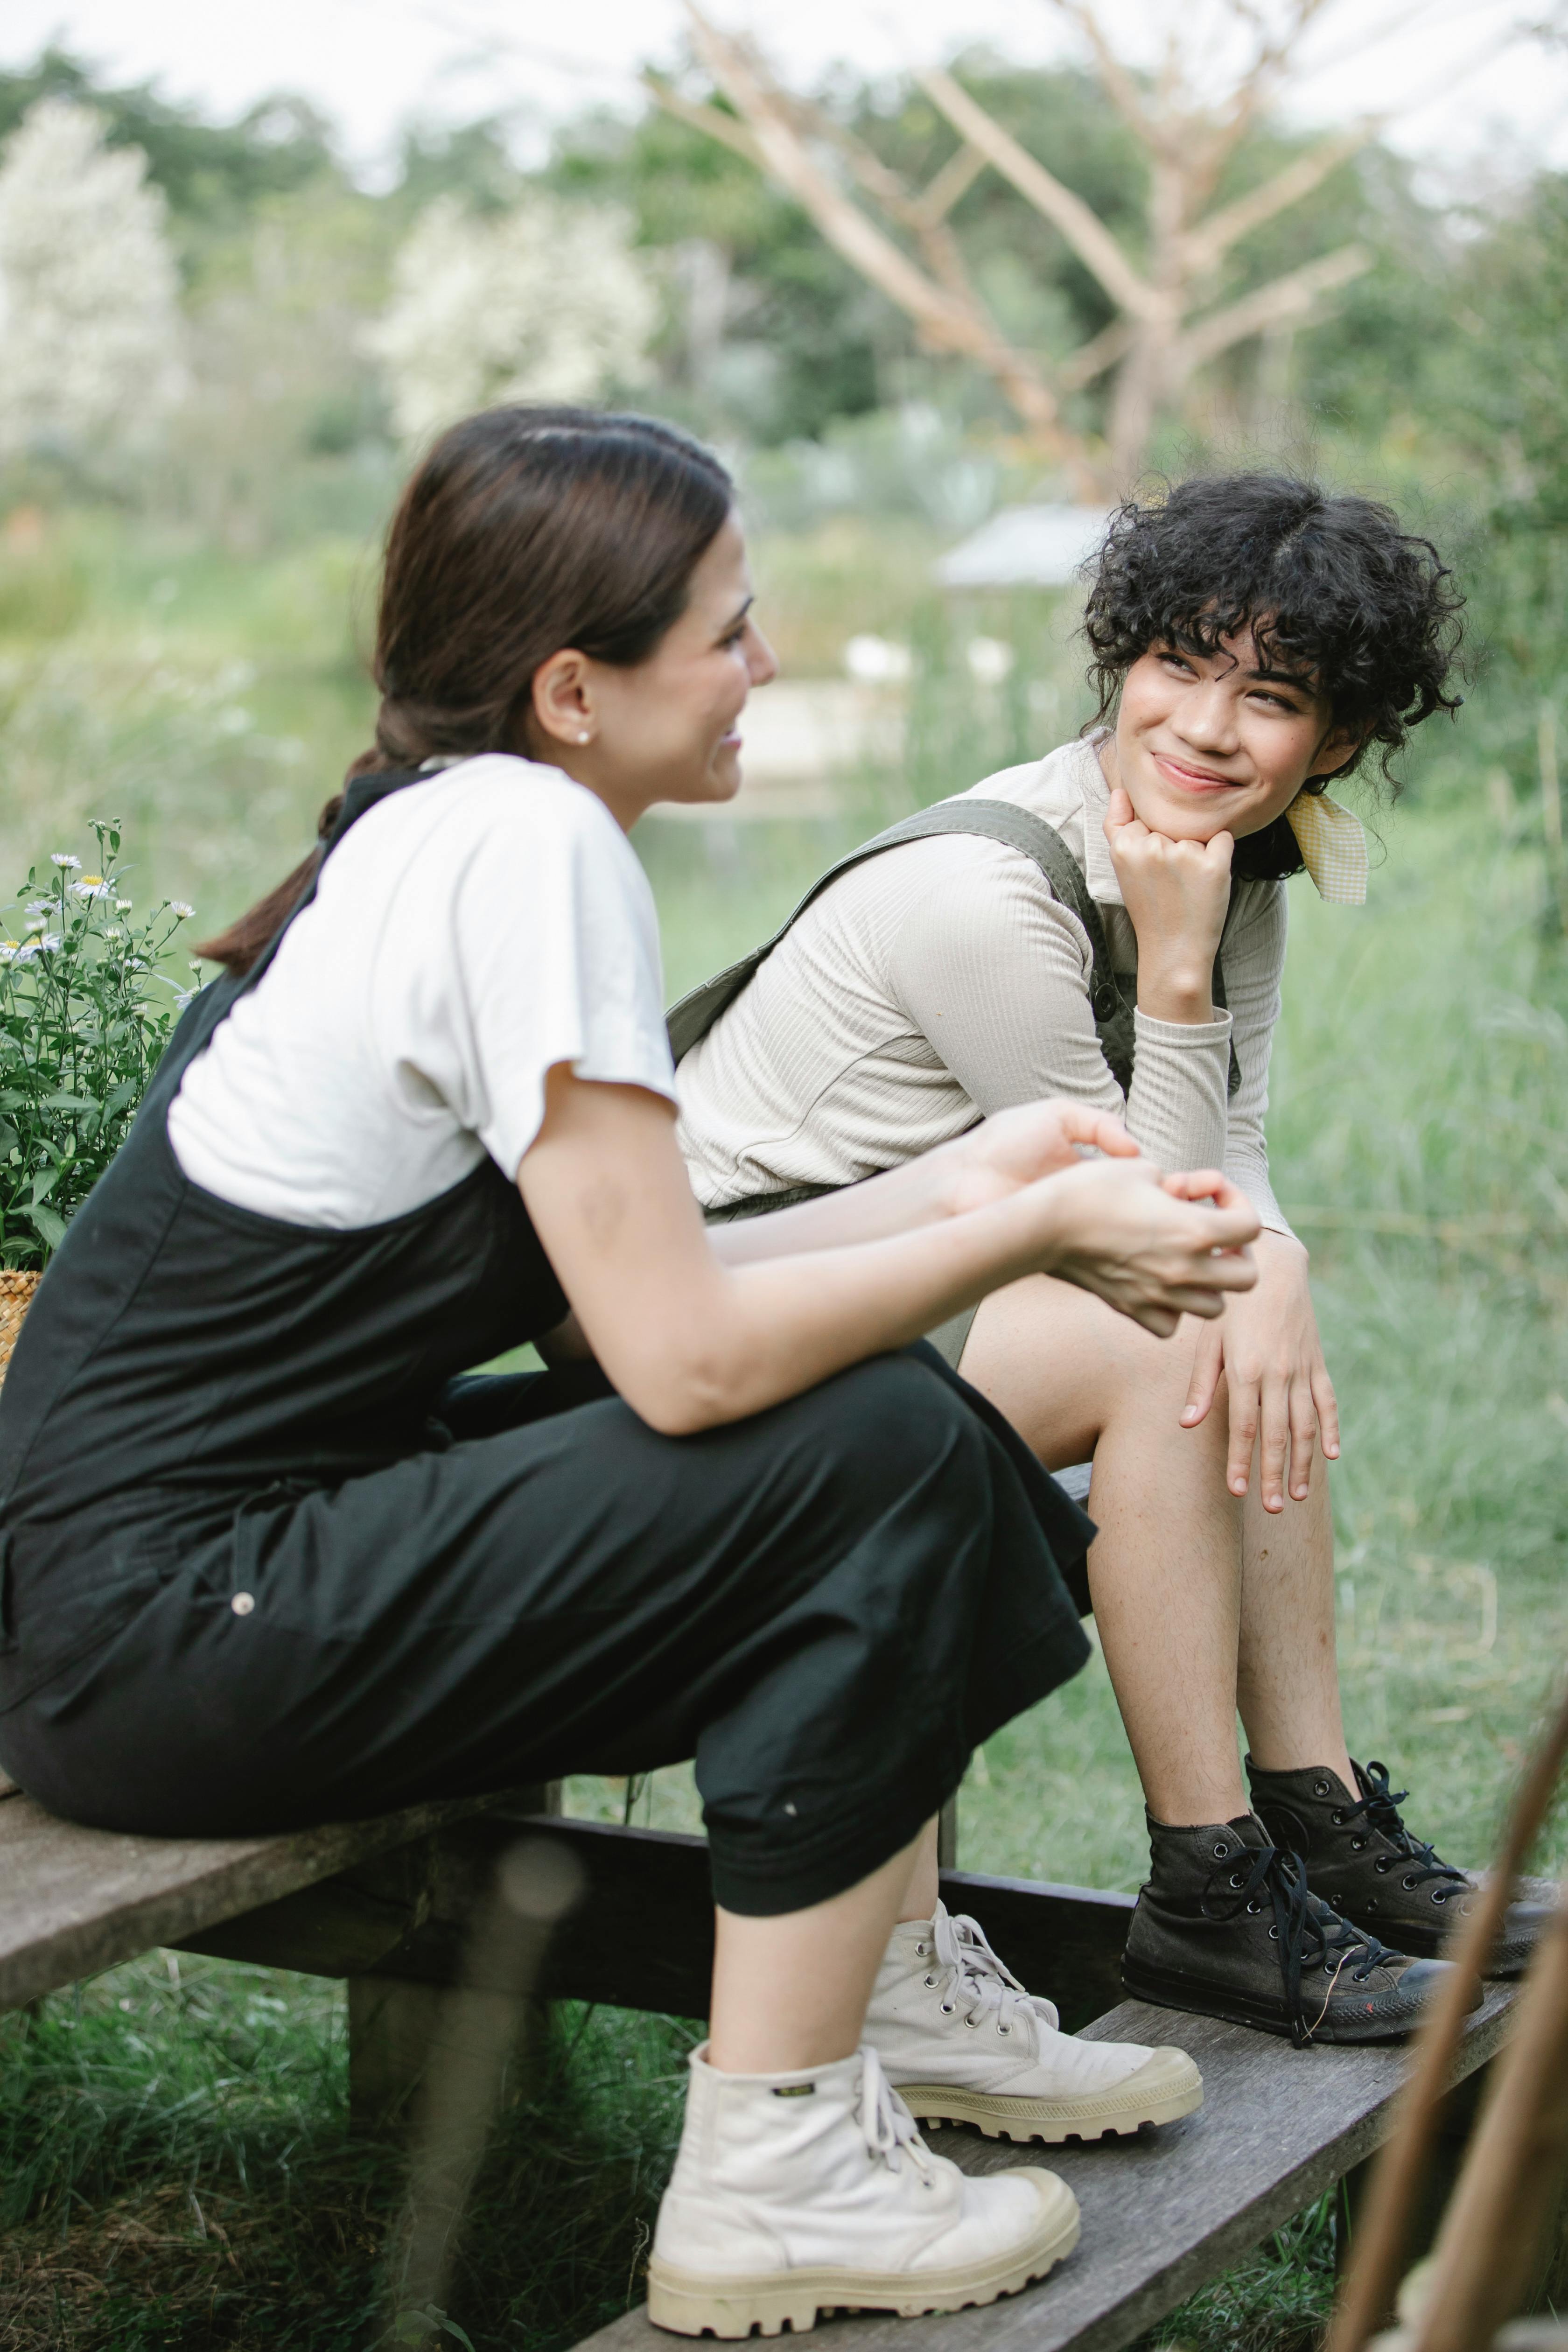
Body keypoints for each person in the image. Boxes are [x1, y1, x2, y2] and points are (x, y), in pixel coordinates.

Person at [0, 409, 1267, 2338]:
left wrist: (968, 1177)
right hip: (165, 1631)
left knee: (882, 1422)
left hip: (176, 1603)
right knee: (867, 1453)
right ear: (572, 686)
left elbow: (623, 1309)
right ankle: (775, 2171)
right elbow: (677, 1368)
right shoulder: (520, 852)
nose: (767, 666)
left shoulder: (464, 829)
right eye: (732, 632)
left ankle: (874, 2007)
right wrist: (1020, 1238)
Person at [676, 473, 1546, 2046]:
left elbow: (1238, 1160)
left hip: (928, 1281)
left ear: (1335, 746)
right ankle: (1212, 1891)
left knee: (1245, 1309)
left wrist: (1270, 1259)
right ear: (1120, 665)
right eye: (1179, 666)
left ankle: (1318, 1813)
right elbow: (1128, 1223)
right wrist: (1189, 980)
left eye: (1271, 696)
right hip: (748, 1308)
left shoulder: (1219, 855)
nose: (1209, 728)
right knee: (1189, 1334)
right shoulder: (989, 895)